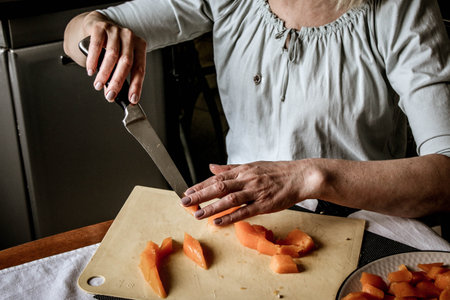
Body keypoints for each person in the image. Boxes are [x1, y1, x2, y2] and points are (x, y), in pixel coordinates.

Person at [64, 0, 450, 247]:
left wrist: (311, 177)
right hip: (246, 226)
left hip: (370, 233)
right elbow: (75, 34)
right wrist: (96, 29)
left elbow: (444, 176)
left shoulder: (401, 8)